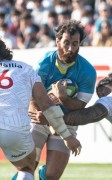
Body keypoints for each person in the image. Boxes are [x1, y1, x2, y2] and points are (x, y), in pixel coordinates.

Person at [0, 38, 81, 180]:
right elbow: (46, 105)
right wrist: (66, 135)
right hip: (12, 127)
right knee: (26, 167)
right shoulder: (26, 68)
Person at [28, 20, 97, 180]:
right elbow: (32, 97)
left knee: (52, 176)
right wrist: (37, 113)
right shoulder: (43, 64)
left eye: (75, 43)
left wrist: (64, 98)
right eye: (66, 43)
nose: (71, 48)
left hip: (66, 121)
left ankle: (44, 173)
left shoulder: (88, 72)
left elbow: (79, 106)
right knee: (27, 168)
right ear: (58, 41)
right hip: (39, 118)